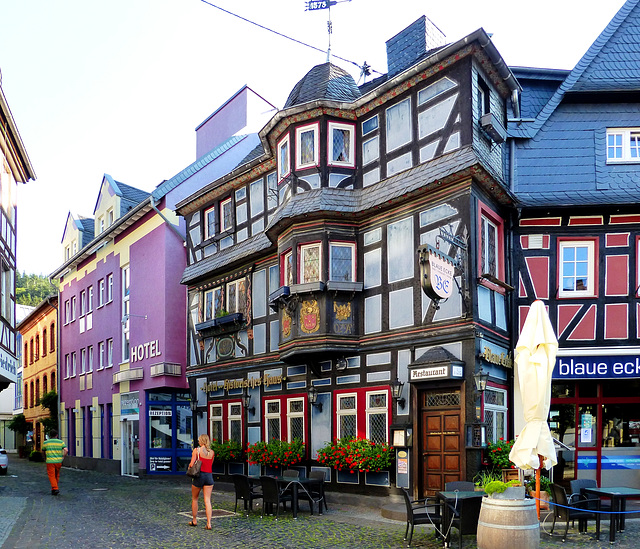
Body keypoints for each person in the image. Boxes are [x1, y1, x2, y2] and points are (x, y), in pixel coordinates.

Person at [188, 434, 215, 529]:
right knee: (207, 500)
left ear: (202, 441)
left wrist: (189, 466)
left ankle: (194, 520)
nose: (198, 441)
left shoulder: (197, 450)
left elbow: (192, 464)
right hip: (209, 476)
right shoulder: (212, 452)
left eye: (199, 440)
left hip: (199, 476)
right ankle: (209, 523)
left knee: (195, 498)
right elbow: (210, 464)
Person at [42, 430, 67, 496]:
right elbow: (66, 450)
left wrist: (45, 458)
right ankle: (54, 488)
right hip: (58, 461)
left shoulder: (46, 442)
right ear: (57, 435)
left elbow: (43, 451)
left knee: (51, 475)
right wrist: (63, 457)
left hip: (50, 461)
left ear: (50, 435)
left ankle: (55, 488)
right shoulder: (61, 442)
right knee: (57, 475)